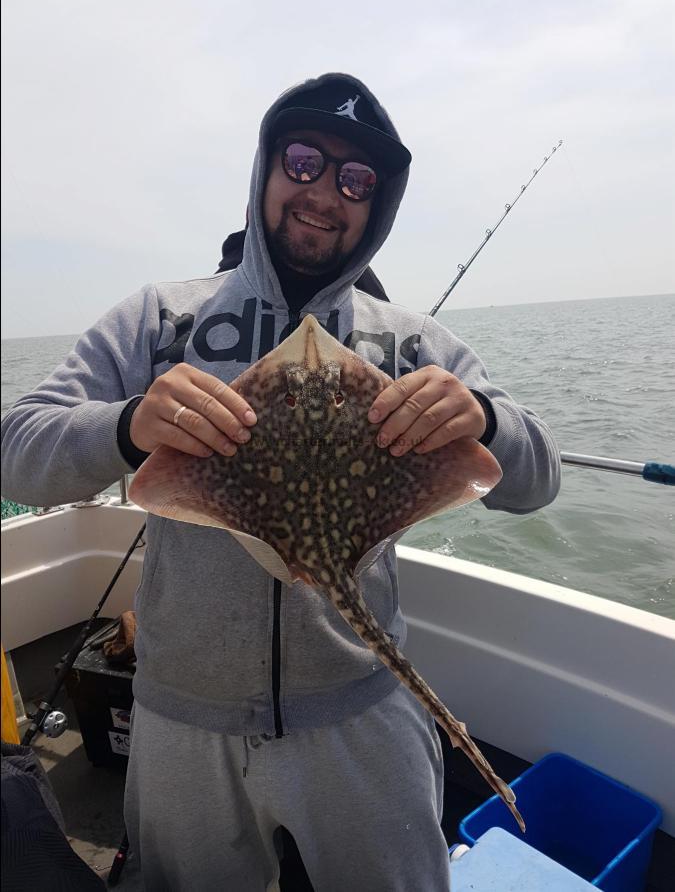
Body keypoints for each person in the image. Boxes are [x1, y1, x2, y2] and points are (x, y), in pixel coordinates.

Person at [0, 73, 561, 891]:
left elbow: (535, 478)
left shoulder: (414, 342)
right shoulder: (159, 320)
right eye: (302, 161)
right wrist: (127, 424)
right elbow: (17, 449)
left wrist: (482, 416)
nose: (324, 191)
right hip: (183, 717)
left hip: (360, 712)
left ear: (377, 204)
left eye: (355, 180)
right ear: (265, 168)